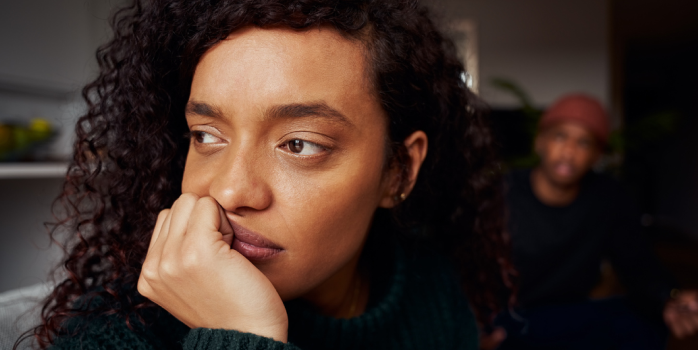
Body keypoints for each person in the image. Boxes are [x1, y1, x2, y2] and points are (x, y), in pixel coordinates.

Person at [17, 1, 515, 349]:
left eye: (299, 144)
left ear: (397, 170)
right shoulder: (114, 332)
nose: (231, 190)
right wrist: (242, 338)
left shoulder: (435, 295)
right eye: (206, 135)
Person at [497, 94, 698, 349]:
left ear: (596, 155)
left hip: (570, 314)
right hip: (507, 317)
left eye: (584, 142)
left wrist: (671, 298)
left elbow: (639, 265)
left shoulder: (608, 197)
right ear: (540, 142)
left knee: (641, 321)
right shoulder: (501, 192)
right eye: (560, 136)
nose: (569, 151)